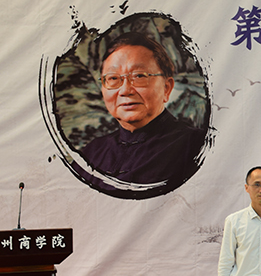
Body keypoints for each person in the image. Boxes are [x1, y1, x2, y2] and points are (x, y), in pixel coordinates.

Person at [81, 31, 204, 188]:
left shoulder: (196, 146)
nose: (125, 90)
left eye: (139, 76)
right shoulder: (92, 153)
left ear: (166, 88)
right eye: (113, 78)